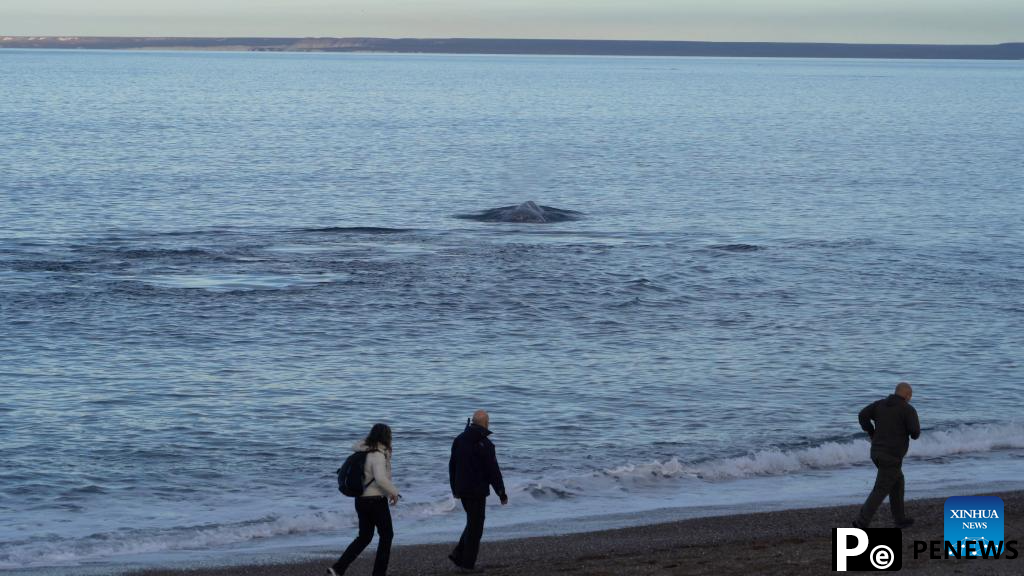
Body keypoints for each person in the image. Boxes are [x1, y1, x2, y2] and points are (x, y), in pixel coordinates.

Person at [329, 423, 400, 576]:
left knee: (364, 537)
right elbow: (381, 479)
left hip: (360, 500)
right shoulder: (378, 455)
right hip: (376, 501)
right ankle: (379, 573)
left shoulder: (362, 451)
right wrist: (394, 493)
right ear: (386, 437)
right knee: (387, 536)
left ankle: (337, 569)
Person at [853, 382, 920, 529]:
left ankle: (900, 519)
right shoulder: (907, 409)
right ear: (908, 395)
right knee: (881, 489)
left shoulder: (879, 404)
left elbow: (862, 415)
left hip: (876, 452)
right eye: (910, 396)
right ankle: (861, 522)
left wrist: (871, 431)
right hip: (892, 456)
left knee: (897, 482)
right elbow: (915, 433)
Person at [448, 410, 508, 572]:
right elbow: (493, 471)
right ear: (485, 424)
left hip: (462, 488)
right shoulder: (484, 444)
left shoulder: (459, 440)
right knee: (476, 527)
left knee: (472, 522)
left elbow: (452, 465)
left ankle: (459, 554)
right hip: (477, 491)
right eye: (488, 422)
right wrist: (501, 492)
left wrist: (454, 488)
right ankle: (467, 565)